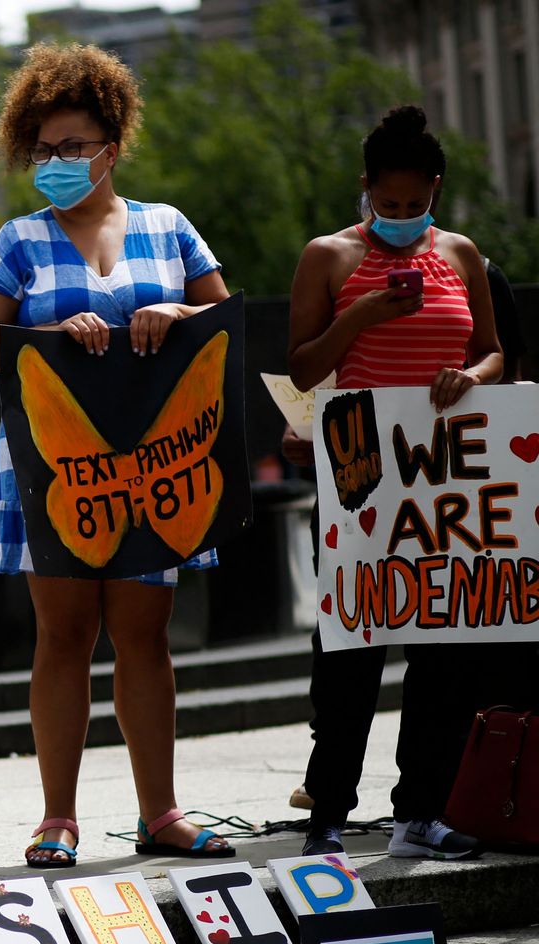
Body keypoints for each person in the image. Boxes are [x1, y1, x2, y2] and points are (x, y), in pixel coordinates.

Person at [0, 44, 234, 868]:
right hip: (54, 465)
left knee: (145, 636)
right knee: (63, 636)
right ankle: (57, 818)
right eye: (43, 149)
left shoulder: (168, 226)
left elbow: (226, 322)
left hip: (159, 463)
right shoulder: (19, 239)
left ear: (112, 146)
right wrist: (45, 334)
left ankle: (162, 812)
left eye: (73, 146)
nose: (57, 162)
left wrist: (175, 312)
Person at [286, 105, 504, 859]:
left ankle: (421, 811)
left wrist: (467, 374)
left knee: (445, 653)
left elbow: (495, 353)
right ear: (366, 189)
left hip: (444, 477)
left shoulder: (463, 255)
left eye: (417, 205)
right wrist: (364, 316)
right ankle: (330, 814)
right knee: (349, 651)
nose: (404, 218)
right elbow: (305, 369)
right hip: (360, 475)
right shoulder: (330, 257)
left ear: (436, 190)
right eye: (390, 205)